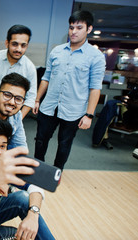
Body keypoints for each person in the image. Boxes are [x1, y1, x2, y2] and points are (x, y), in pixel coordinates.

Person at [32, 10, 106, 170]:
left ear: (89, 29)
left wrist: (89, 115)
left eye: (79, 27)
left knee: (64, 143)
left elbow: (95, 88)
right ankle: (38, 170)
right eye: (71, 27)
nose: (74, 31)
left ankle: (56, 172)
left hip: (74, 109)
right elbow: (46, 77)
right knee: (40, 140)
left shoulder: (96, 56)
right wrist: (37, 99)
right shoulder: (57, 51)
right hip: (49, 105)